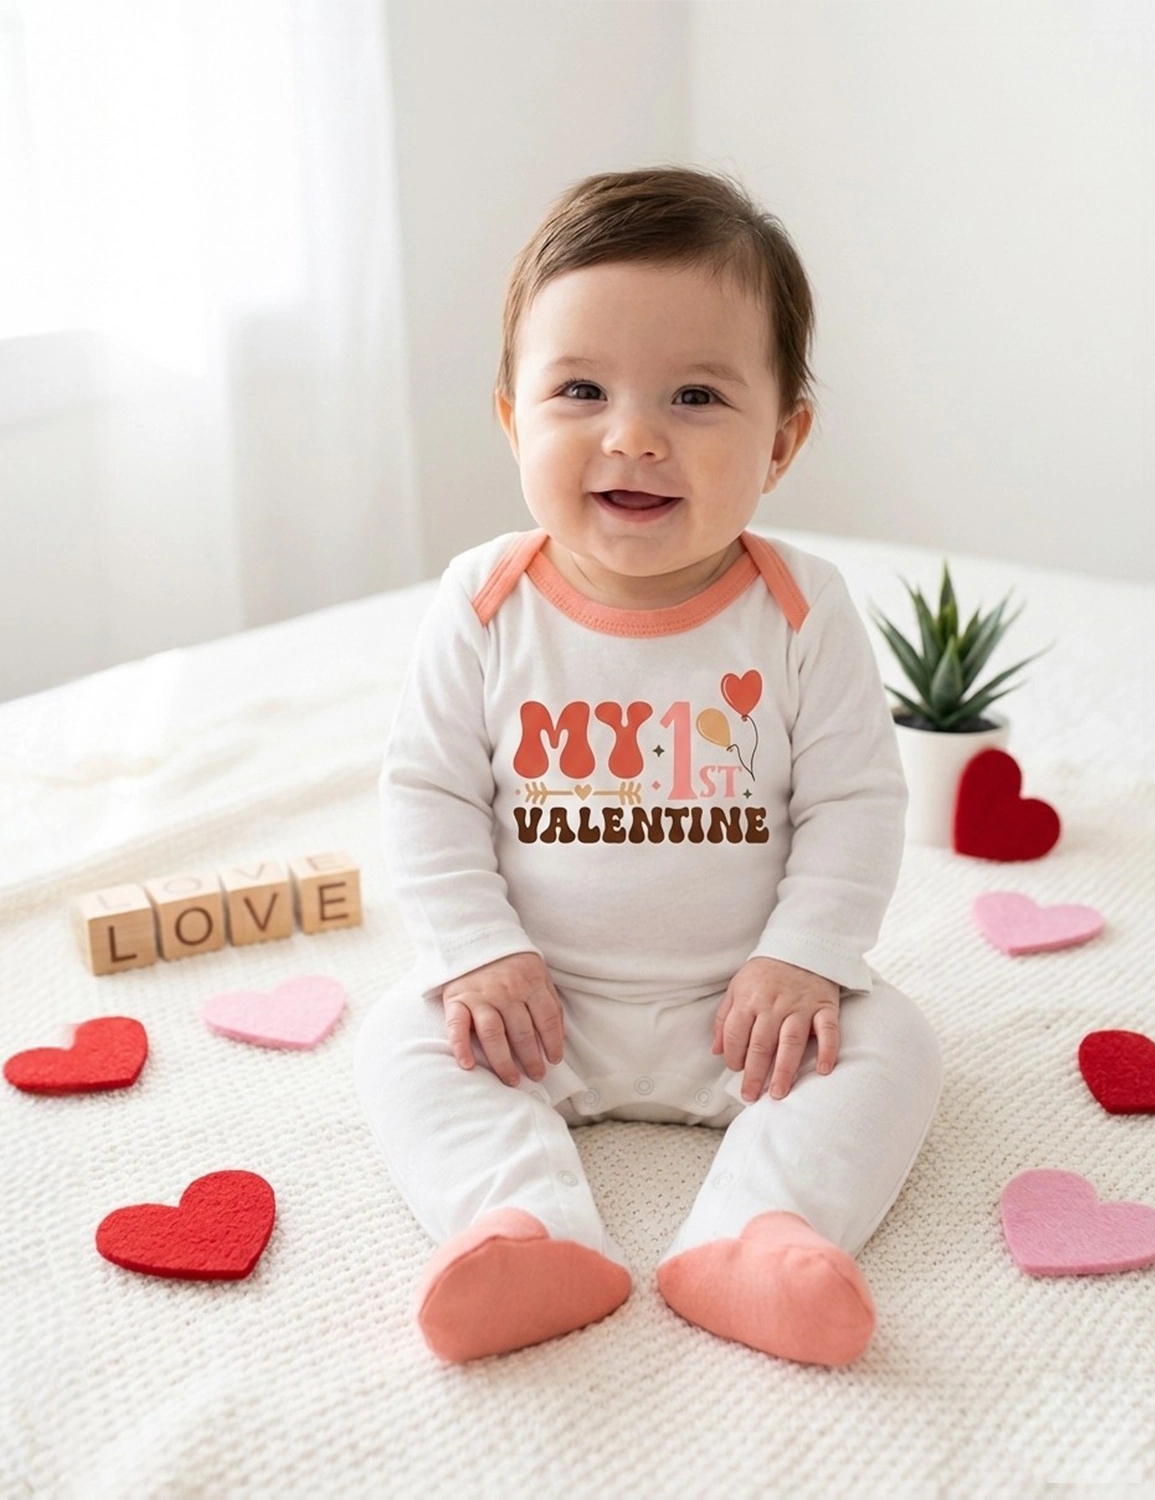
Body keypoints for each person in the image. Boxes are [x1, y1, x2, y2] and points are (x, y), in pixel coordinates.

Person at [354, 164, 942, 1368]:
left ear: (780, 443)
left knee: (898, 1045)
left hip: (743, 1014)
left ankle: (754, 1234)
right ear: (515, 420)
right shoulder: (485, 599)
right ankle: (518, 1229)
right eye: (579, 389)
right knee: (396, 1042)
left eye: (693, 394)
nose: (632, 434)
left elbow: (852, 803)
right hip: (535, 1008)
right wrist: (477, 951)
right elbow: (428, 795)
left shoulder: (799, 608)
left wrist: (799, 959)